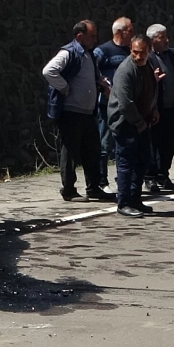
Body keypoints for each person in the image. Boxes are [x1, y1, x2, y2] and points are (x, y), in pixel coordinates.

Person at [41, 20, 113, 202]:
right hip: (71, 112)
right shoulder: (69, 52)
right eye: (92, 35)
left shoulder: (88, 54)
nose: (95, 39)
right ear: (80, 36)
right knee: (71, 152)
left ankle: (93, 188)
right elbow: (49, 71)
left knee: (93, 151)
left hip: (88, 112)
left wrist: (101, 84)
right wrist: (65, 88)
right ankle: (68, 190)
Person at [108, 34, 160, 217]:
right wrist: (139, 123)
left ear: (149, 51)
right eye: (135, 52)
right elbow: (125, 103)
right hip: (126, 123)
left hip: (143, 121)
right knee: (126, 163)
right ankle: (123, 202)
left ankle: (135, 199)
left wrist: (153, 110)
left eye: (143, 53)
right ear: (130, 49)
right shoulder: (126, 70)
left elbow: (152, 88)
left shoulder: (149, 65)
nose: (138, 56)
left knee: (142, 162)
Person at [93, 17, 133, 192]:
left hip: (126, 106)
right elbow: (93, 75)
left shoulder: (130, 51)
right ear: (119, 32)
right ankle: (101, 181)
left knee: (123, 145)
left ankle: (122, 179)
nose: (132, 34)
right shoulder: (102, 51)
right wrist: (104, 90)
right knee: (104, 145)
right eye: (129, 31)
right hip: (107, 106)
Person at [144, 24, 174, 193]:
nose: (167, 40)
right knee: (153, 143)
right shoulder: (146, 57)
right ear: (152, 40)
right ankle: (150, 177)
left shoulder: (173, 55)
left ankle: (163, 175)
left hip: (171, 107)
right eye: (162, 37)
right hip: (154, 108)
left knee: (169, 143)